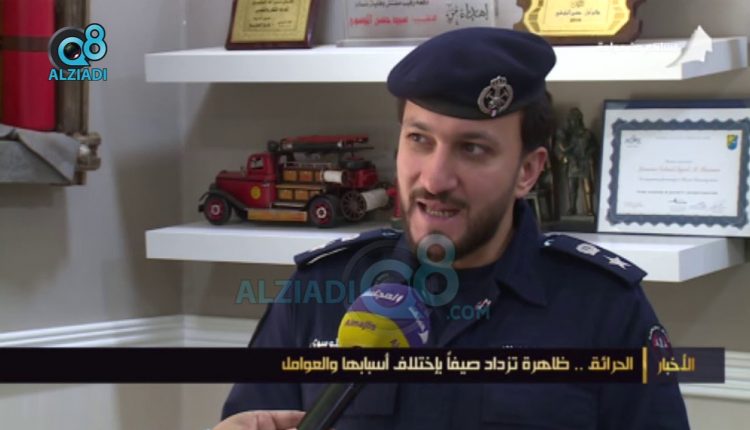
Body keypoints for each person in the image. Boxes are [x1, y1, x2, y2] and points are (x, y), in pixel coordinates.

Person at [214, 28, 690, 429]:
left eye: (473, 149)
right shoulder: (319, 292)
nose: (435, 179)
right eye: (419, 139)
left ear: (528, 171)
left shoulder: (603, 308)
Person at [555, 107, 598, 216]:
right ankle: (572, 208)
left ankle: (589, 209)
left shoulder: (588, 134)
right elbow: (561, 149)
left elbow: (595, 147)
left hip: (585, 162)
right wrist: (567, 156)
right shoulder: (568, 136)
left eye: (574, 119)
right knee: (572, 187)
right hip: (573, 163)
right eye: (571, 119)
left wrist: (589, 154)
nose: (572, 122)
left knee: (587, 187)